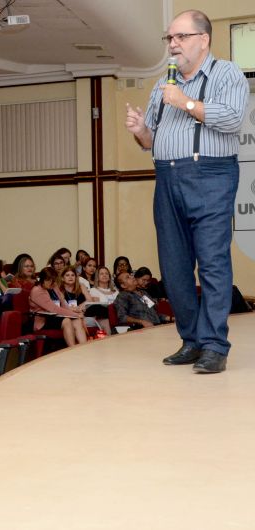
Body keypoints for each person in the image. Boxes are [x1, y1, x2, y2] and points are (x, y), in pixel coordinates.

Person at [125, 10, 247, 373]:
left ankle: (214, 346)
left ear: (203, 39)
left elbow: (233, 119)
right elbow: (150, 141)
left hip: (211, 174)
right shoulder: (163, 83)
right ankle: (191, 340)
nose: (173, 44)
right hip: (167, 176)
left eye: (180, 37)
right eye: (169, 38)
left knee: (212, 262)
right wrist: (140, 129)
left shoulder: (227, 73)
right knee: (174, 267)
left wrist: (185, 102)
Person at [29, 267, 87, 347]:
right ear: (42, 280)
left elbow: (63, 303)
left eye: (53, 280)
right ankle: (73, 349)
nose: (52, 283)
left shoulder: (53, 285)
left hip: (56, 316)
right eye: (49, 280)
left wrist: (75, 313)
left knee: (77, 320)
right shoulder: (37, 291)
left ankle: (84, 347)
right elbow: (54, 309)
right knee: (66, 321)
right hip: (44, 319)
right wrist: (75, 314)